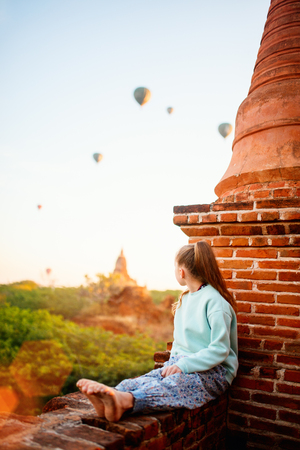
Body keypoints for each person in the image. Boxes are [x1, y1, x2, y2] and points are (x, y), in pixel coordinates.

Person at [77, 241, 238, 422]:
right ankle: (111, 398)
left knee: (174, 385)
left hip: (214, 372)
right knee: (146, 379)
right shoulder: (185, 299)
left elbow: (220, 349)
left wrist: (182, 366)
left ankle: (126, 402)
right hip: (183, 364)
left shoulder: (215, 302)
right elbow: (179, 343)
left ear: (181, 272)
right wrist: (173, 364)